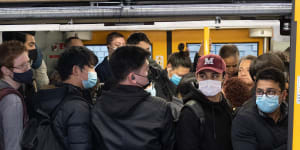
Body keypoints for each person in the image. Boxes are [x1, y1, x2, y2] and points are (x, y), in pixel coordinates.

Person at [92, 46, 175, 150]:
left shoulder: (98, 107)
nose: (149, 74)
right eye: (146, 70)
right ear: (132, 77)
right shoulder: (160, 108)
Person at [30, 46, 98, 150]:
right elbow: (80, 145)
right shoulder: (77, 106)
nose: (94, 73)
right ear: (76, 70)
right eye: (91, 68)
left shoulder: (45, 96)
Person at [175, 54, 233, 150]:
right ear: (197, 77)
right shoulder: (191, 112)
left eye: (215, 75)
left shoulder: (226, 106)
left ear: (224, 77)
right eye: (203, 76)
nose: (209, 81)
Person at [232, 67, 288, 150]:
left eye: (271, 92)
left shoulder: (293, 118)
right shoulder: (244, 120)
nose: (264, 96)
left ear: (283, 95)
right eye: (260, 92)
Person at [0, 41, 32, 150]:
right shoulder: (12, 100)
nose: (28, 68)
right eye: (22, 65)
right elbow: (13, 146)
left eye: (28, 62)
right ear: (6, 70)